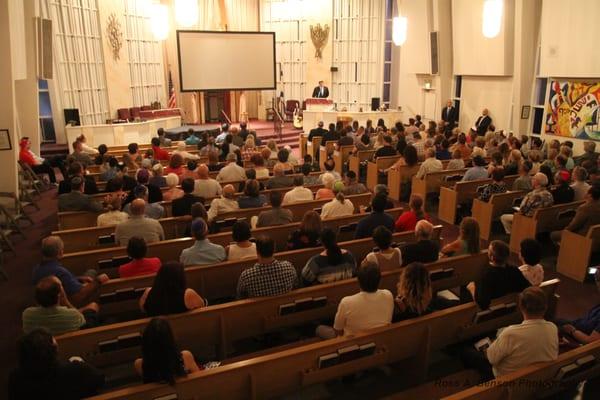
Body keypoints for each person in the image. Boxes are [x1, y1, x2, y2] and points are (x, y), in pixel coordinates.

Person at [8, 329, 105, 399]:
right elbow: (100, 379)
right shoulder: (76, 369)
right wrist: (80, 363)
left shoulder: (15, 378)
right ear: (53, 351)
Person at [484, 287, 558, 377]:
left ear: (521, 307)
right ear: (546, 307)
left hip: (509, 382)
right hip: (541, 378)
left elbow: (491, 359)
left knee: (470, 352)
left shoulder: (510, 333)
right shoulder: (552, 327)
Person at [319, 262, 394, 338]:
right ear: (380, 281)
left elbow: (338, 331)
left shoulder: (346, 302)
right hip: (382, 337)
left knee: (319, 328)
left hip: (352, 344)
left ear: (358, 281)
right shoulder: (388, 295)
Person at [32, 236, 109, 308]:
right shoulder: (60, 272)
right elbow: (79, 296)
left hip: (53, 303)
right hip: (71, 304)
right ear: (60, 253)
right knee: (94, 275)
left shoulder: (36, 270)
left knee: (90, 272)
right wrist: (98, 281)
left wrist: (78, 278)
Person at [22, 276, 99, 336]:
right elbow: (79, 316)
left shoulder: (27, 314)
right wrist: (65, 301)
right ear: (59, 295)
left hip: (42, 351)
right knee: (93, 308)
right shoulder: (72, 315)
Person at [466, 240, 530, 310]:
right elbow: (527, 288)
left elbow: (482, 304)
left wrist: (472, 288)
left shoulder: (486, 275)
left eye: (488, 250)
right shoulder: (514, 270)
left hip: (494, 312)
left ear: (492, 257)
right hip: (512, 308)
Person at [134, 318, 200, 384]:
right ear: (170, 339)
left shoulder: (139, 364)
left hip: (159, 394)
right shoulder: (186, 357)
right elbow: (200, 378)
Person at [140, 261, 205, 316]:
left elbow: (143, 310)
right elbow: (202, 306)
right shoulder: (188, 294)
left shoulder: (148, 292)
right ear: (180, 278)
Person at [558, 270, 600, 344]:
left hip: (579, 336)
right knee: (556, 322)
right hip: (579, 326)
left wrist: (572, 331)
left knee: (553, 324)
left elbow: (591, 341)